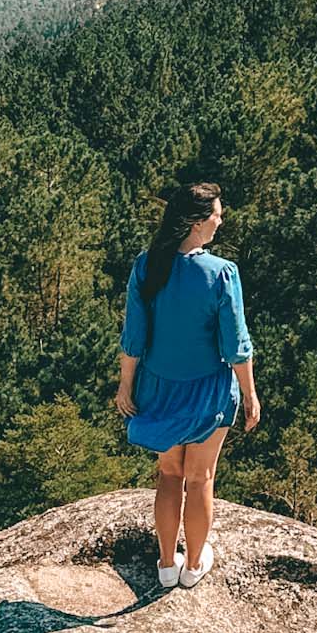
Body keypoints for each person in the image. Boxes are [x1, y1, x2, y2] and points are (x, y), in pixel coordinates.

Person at [115, 181, 260, 591]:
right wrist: (249, 395)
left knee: (168, 473)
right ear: (197, 222)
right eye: (216, 213)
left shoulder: (147, 266)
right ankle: (193, 565)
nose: (220, 219)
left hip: (158, 387)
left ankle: (165, 564)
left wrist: (126, 387)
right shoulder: (221, 274)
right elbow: (236, 346)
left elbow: (134, 336)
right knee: (200, 477)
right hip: (206, 392)